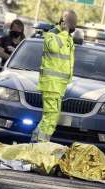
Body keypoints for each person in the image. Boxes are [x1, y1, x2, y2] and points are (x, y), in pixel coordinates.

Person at [31, 10, 77, 142]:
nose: (74, 27)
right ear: (64, 21)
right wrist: (63, 32)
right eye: (73, 23)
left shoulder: (67, 36)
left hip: (58, 85)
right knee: (50, 116)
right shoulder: (53, 33)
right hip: (51, 83)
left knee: (52, 117)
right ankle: (39, 143)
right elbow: (54, 48)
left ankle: (39, 142)